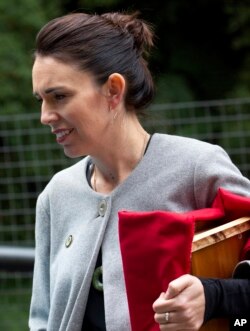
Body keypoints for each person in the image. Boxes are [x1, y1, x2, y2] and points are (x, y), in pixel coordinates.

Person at [29, 11, 250, 331]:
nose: (45, 115)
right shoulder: (56, 195)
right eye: (40, 100)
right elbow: (42, 317)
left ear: (113, 90)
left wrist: (215, 296)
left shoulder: (197, 168)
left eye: (59, 96)